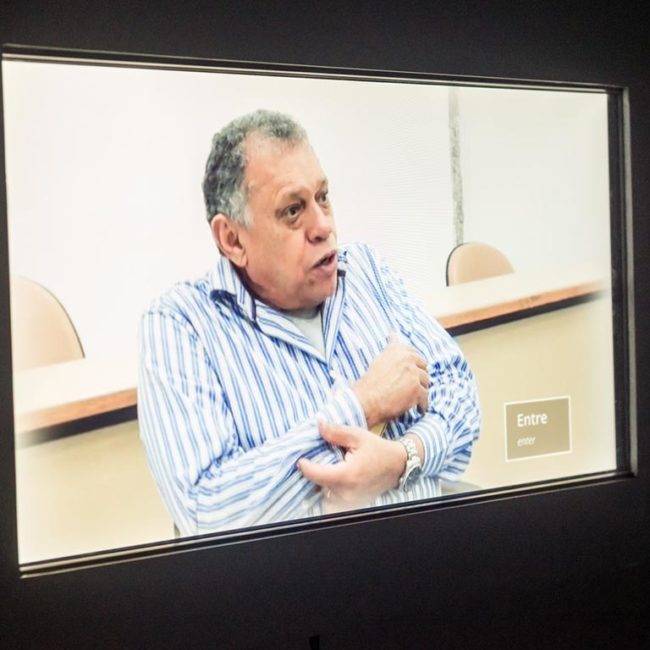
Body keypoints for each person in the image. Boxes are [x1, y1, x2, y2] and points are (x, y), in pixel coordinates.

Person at [138, 109, 481, 537]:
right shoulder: (181, 326)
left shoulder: (366, 271)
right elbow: (207, 512)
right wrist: (363, 404)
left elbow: (461, 394)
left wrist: (403, 458)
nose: (324, 225)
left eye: (323, 197)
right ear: (232, 239)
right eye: (293, 210)